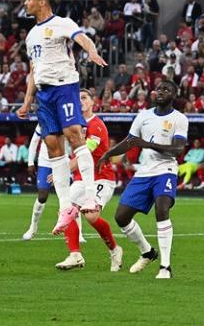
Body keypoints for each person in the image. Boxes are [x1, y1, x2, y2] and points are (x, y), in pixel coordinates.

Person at [16, 0, 107, 235]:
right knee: (53, 147)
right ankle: (66, 207)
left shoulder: (62, 23)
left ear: (42, 1)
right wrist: (27, 101)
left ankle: (89, 196)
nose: (26, 3)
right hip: (43, 94)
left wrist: (92, 52)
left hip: (64, 86)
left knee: (74, 135)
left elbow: (82, 38)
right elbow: (33, 71)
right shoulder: (31, 35)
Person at [98, 80, 187, 279]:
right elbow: (129, 142)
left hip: (166, 170)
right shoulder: (143, 116)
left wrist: (147, 144)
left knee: (162, 209)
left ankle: (165, 267)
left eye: (166, 89)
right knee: (121, 217)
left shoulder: (179, 119)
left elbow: (178, 149)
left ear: (174, 94)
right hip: (144, 173)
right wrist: (108, 154)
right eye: (159, 88)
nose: (161, 91)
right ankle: (148, 252)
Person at [56, 89, 124, 272]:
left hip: (101, 178)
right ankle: (75, 255)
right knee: (66, 209)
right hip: (80, 178)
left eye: (84, 98)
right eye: (77, 99)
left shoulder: (97, 125)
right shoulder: (72, 125)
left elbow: (86, 153)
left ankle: (115, 249)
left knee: (91, 216)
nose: (81, 101)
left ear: (93, 102)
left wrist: (61, 171)